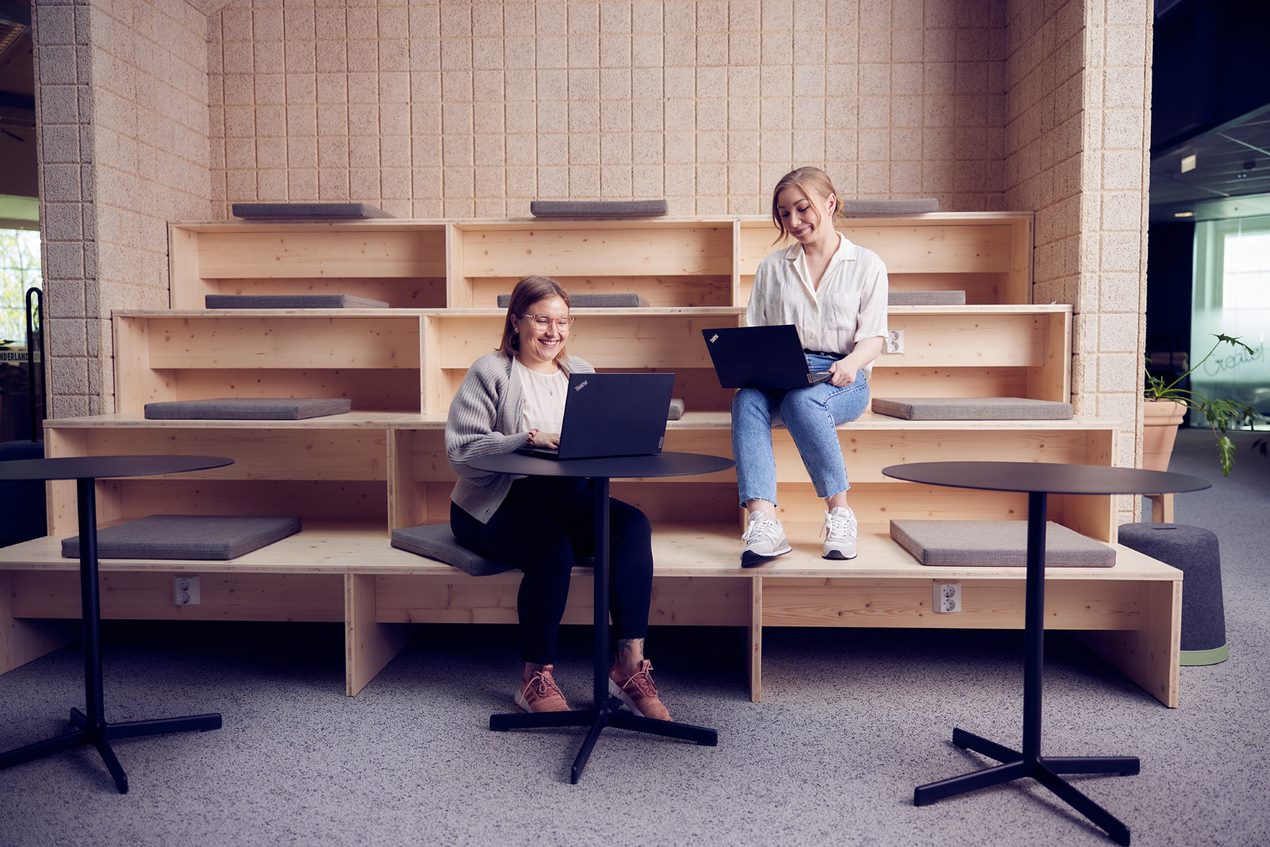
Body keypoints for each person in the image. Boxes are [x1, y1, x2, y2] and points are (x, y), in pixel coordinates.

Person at [445, 275, 673, 719]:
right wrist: (525, 439)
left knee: (631, 526)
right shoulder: (490, 371)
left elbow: (595, 442)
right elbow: (461, 452)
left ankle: (628, 667)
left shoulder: (582, 372)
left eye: (563, 322)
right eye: (542, 320)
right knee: (553, 550)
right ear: (516, 322)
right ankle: (534, 678)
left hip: (564, 498)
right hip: (491, 504)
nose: (553, 332)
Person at [733, 166, 889, 567]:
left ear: (830, 202)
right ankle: (765, 524)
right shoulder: (773, 268)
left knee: (804, 403)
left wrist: (852, 364)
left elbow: (874, 336)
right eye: (784, 214)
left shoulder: (867, 263)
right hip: (785, 369)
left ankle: (840, 514)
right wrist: (754, 369)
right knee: (746, 398)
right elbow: (755, 334)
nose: (794, 222)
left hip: (843, 374)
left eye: (802, 209)